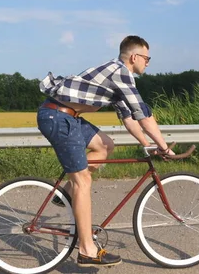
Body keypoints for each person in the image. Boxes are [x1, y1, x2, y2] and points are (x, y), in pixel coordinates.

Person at [36, 35, 175, 267]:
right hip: (57, 116)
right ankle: (87, 250)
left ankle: (67, 193)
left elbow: (130, 119)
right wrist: (163, 147)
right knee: (83, 182)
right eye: (147, 58)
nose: (149, 63)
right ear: (135, 57)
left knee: (105, 145)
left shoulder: (121, 78)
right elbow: (144, 114)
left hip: (67, 117)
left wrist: (146, 144)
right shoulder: (119, 72)